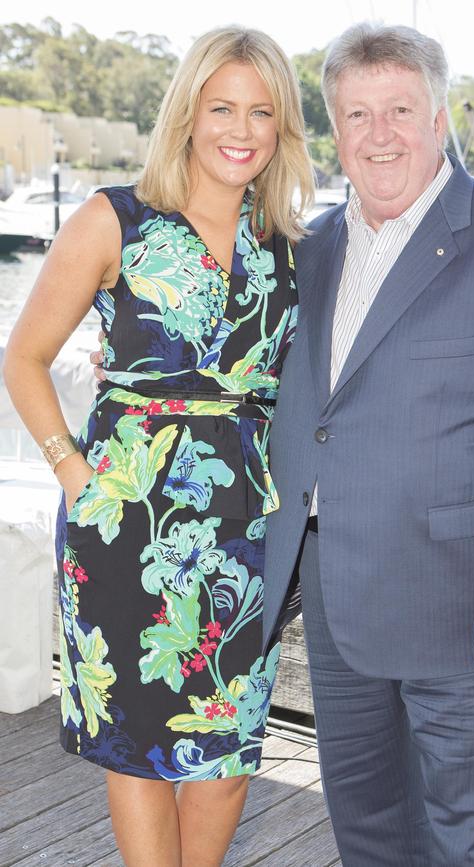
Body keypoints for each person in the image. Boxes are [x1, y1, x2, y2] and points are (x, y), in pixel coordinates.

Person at [260, 23, 474, 866]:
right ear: (335, 130)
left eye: (400, 109)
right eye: (358, 114)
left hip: (473, 620)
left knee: (473, 846)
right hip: (341, 615)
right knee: (370, 835)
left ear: (439, 119)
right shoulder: (311, 251)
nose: (381, 135)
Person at [3, 26, 313, 867]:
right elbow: (23, 358)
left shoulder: (291, 249)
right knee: (140, 748)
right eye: (222, 107)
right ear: (187, 114)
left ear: (282, 127)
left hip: (243, 532)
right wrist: (75, 473)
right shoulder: (117, 219)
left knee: (227, 758)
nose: (240, 129)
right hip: (122, 519)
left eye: (261, 111)